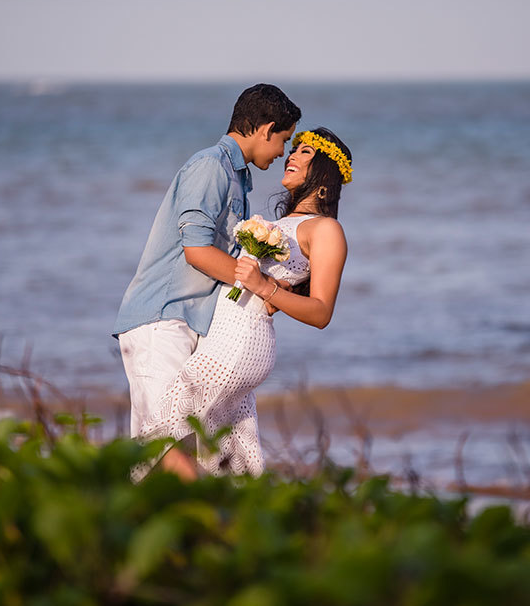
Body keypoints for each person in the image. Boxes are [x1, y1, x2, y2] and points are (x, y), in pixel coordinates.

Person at [134, 126, 352, 479]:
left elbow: (321, 312)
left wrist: (265, 287)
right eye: (293, 148)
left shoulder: (326, 229)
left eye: (305, 152)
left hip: (239, 343)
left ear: (325, 175)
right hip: (226, 338)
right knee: (231, 459)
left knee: (159, 435)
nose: (291, 155)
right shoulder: (284, 223)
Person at [113, 84, 301, 476]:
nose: (282, 152)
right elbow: (196, 251)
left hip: (188, 325)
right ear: (266, 129)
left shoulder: (239, 180)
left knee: (185, 445)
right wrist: (255, 284)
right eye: (283, 140)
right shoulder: (211, 167)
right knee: (164, 447)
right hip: (161, 320)